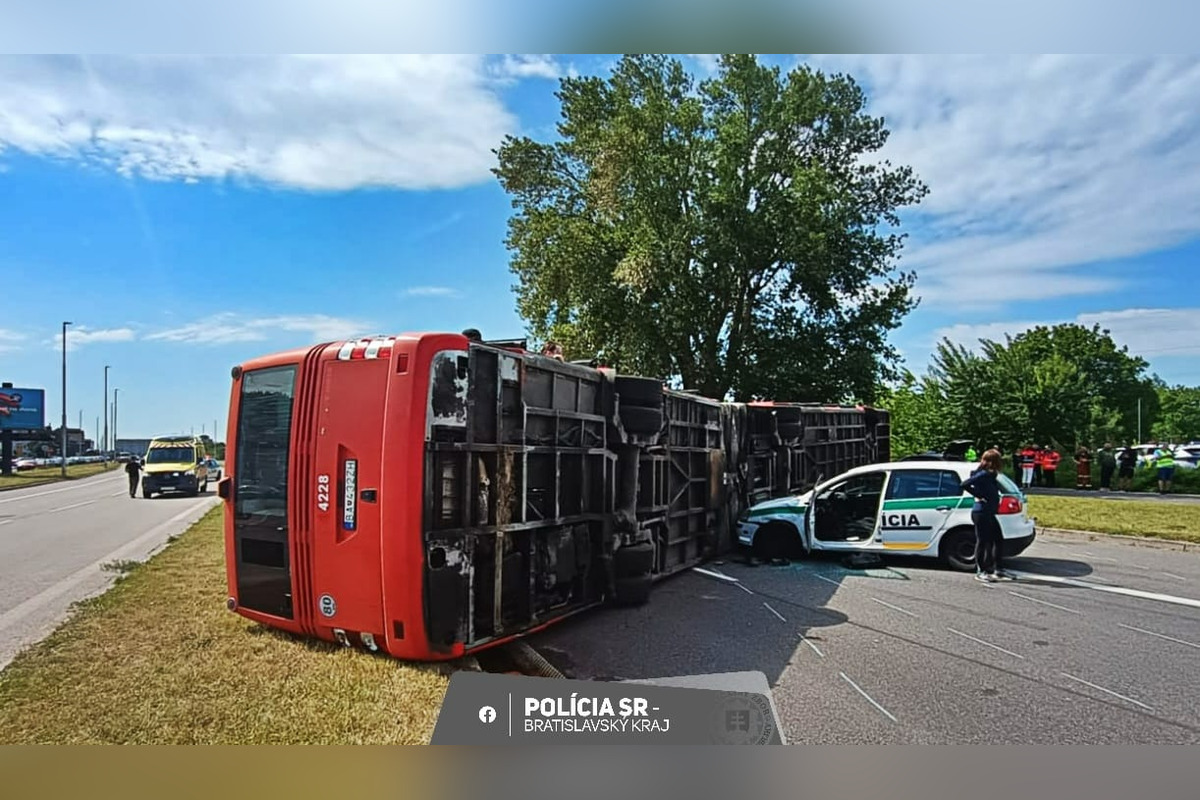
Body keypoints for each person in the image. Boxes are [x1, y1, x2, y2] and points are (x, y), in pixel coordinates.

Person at [961, 449, 1010, 583]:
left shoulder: (991, 474)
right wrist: (979, 495)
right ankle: (981, 571)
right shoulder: (983, 474)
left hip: (989, 512)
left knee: (998, 539)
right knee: (982, 541)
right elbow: (965, 484)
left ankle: (998, 569)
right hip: (981, 512)